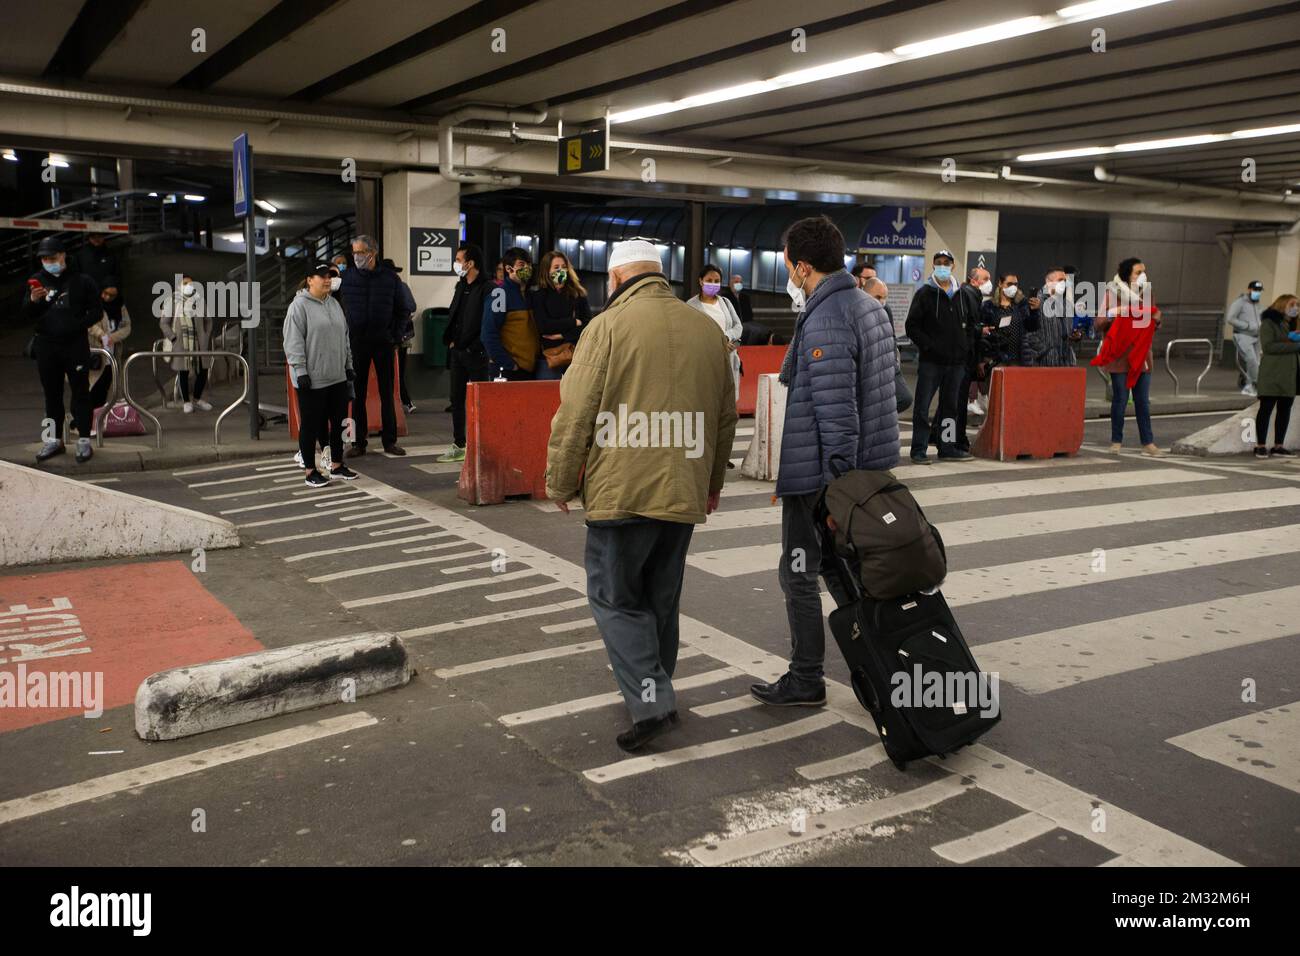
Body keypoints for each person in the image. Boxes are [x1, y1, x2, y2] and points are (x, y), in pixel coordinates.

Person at [544, 238, 737, 752]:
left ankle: (652, 703)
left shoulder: (605, 328)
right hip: (683, 491)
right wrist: (712, 483)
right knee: (661, 598)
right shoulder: (707, 330)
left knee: (615, 597)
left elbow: (576, 410)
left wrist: (560, 480)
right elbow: (723, 419)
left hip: (622, 490)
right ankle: (657, 687)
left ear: (616, 279)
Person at [750, 215, 898, 708]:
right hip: (864, 468)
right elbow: (890, 392)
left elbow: (837, 411)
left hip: (823, 475)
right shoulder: (867, 304)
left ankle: (807, 676)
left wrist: (838, 494)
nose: (788, 270)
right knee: (843, 572)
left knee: (799, 572)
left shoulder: (828, 315)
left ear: (803, 266)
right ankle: (883, 665)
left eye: (789, 261)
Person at [24, 236, 100, 463]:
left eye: (53, 257)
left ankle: (84, 440)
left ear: (63, 255)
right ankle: (53, 440)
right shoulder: (36, 281)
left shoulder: (82, 280)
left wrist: (77, 326)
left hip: (75, 345)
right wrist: (33, 301)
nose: (49, 261)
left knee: (80, 392)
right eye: (45, 258)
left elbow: (96, 311)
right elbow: (27, 314)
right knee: (51, 394)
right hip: (46, 345)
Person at [284, 263, 359, 487]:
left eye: (330, 277)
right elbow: (293, 342)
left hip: (336, 376)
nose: (327, 280)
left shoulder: (334, 304)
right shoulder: (298, 307)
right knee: (310, 424)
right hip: (312, 379)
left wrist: (348, 365)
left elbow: (344, 338)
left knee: (338, 423)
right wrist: (300, 371)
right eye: (322, 277)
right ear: (310, 280)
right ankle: (310, 471)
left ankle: (336, 465)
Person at [904, 249, 975, 464]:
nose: (942, 266)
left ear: (953, 266)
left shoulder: (962, 294)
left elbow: (971, 324)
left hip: (956, 363)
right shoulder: (924, 294)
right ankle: (918, 449)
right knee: (923, 407)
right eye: (938, 262)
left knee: (950, 408)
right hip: (931, 363)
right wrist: (929, 346)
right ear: (934, 265)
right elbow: (911, 326)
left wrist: (965, 347)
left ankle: (947, 447)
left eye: (946, 262)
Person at [339, 235, 407, 456]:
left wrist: (395, 337)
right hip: (356, 343)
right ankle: (359, 443)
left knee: (387, 392)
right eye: (354, 253)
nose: (356, 257)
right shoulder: (347, 278)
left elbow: (403, 309)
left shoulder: (390, 279)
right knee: (356, 393)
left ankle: (390, 441)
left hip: (383, 343)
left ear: (372, 253)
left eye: (360, 252)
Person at [1094, 257, 1164, 456]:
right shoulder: (1112, 293)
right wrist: (1113, 314)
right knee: (1120, 399)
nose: (1143, 275)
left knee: (1143, 401)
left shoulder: (1146, 294)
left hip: (1141, 357)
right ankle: (1116, 440)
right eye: (1138, 272)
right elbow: (1098, 323)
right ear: (1127, 275)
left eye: (1144, 271)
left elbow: (1154, 319)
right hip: (1119, 357)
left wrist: (1157, 319)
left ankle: (1148, 443)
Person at [437, 243, 490, 463]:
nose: (456, 264)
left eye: (459, 260)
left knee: (479, 401)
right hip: (457, 351)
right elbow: (455, 314)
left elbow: (487, 323)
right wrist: (450, 341)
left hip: (475, 353)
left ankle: (482, 443)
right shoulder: (461, 286)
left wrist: (474, 346)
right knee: (456, 399)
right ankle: (459, 443)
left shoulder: (487, 288)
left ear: (471, 263)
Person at [530, 250, 591, 379]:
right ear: (547, 271)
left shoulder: (578, 294)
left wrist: (563, 334)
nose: (560, 271)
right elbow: (544, 326)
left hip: (575, 356)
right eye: (556, 267)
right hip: (549, 357)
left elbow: (588, 326)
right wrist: (573, 322)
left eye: (564, 267)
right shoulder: (539, 295)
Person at [481, 246, 539, 381]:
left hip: (529, 368)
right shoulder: (499, 295)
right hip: (510, 370)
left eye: (529, 264)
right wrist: (509, 365)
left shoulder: (530, 295)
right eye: (521, 264)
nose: (527, 268)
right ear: (508, 269)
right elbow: (488, 334)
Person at [687, 263, 743, 402]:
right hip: (704, 362)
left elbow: (738, 327)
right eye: (709, 280)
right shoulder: (690, 306)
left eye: (717, 281)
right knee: (707, 402)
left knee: (728, 403)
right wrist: (718, 344)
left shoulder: (726, 303)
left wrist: (726, 337)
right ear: (701, 281)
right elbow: (689, 334)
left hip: (728, 360)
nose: (713, 284)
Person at [160, 272, 213, 414]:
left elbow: (208, 320)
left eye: (190, 283)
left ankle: (197, 399)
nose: (188, 286)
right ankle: (186, 402)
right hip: (181, 343)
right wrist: (173, 337)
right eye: (185, 283)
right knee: (183, 371)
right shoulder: (172, 300)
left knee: (203, 370)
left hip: (199, 343)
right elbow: (164, 323)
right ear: (179, 286)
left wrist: (206, 336)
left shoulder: (199, 300)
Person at [1254, 293, 1300, 459]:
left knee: (1284, 410)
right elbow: (1268, 347)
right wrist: (1296, 345)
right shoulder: (1269, 323)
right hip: (1272, 374)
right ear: (1282, 305)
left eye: (1297, 305)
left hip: (1289, 375)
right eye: (1292, 304)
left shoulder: (1293, 324)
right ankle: (1260, 445)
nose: (1296, 308)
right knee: (1266, 409)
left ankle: (1278, 445)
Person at [864, 276, 911, 413]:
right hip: (868, 364)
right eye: (877, 297)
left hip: (887, 363)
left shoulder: (886, 309)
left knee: (904, 398)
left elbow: (891, 336)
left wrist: (893, 360)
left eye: (884, 297)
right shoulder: (856, 311)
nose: (881, 302)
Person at [87, 277, 131, 412]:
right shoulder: (92, 304)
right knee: (91, 388)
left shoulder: (120, 307)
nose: (107, 297)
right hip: (96, 352)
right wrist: (101, 334)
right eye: (105, 293)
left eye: (112, 295)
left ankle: (98, 420)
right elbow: (87, 323)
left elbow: (127, 327)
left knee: (105, 387)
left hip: (112, 353)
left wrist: (113, 337)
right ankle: (85, 420)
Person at [382, 257, 418, 414]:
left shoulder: (401, 287)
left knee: (397, 372)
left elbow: (411, 306)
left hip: (399, 337)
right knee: (395, 372)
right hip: (394, 336)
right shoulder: (394, 287)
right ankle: (403, 402)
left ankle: (405, 401)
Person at [1022, 267, 1078, 367]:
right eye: (1060, 280)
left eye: (1065, 281)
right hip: (1045, 364)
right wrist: (1047, 351)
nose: (1064, 283)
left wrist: (1075, 337)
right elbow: (1029, 335)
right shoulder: (1035, 302)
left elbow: (1067, 332)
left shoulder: (1066, 305)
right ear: (1048, 282)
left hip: (1067, 364)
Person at [1226, 280, 1265, 397]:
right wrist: (1246, 325)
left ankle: (1249, 386)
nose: (1257, 293)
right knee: (1252, 360)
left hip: (1256, 337)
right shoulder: (1240, 303)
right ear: (1249, 289)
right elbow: (1230, 318)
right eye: (1255, 290)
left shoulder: (1258, 305)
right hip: (1242, 335)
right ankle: (1256, 384)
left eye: (1259, 291)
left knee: (1256, 363)